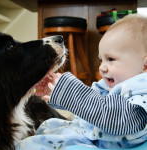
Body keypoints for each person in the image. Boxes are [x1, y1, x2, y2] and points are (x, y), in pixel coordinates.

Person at [16, 14, 147, 149]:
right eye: (101, 59)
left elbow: (116, 118)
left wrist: (70, 92)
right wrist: (59, 93)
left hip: (96, 143)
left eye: (111, 59)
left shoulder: (143, 90)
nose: (102, 67)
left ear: (145, 65)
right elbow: (92, 105)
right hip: (90, 134)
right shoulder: (117, 82)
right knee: (46, 131)